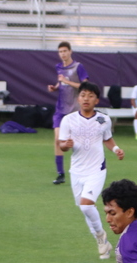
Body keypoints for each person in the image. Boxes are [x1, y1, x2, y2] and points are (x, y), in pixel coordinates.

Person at [58, 82, 124, 259]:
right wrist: (66, 144)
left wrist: (116, 149)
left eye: (90, 96)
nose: (86, 99)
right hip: (76, 171)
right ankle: (102, 242)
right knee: (84, 208)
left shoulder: (103, 119)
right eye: (83, 95)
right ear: (78, 98)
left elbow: (107, 139)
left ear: (96, 100)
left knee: (87, 206)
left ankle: (101, 236)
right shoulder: (68, 120)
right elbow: (62, 145)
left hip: (96, 170)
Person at [48, 41, 88, 184]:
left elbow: (84, 85)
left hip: (75, 110)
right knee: (58, 139)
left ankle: (86, 169)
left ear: (70, 51)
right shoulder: (58, 67)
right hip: (60, 110)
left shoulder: (78, 67)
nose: (63, 54)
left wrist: (66, 81)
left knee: (78, 142)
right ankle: (60, 174)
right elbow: (62, 82)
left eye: (65, 51)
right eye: (60, 51)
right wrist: (55, 87)